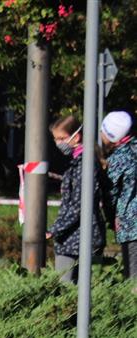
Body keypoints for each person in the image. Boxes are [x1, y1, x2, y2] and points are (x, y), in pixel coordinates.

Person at [48, 117, 110, 283]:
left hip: (75, 238)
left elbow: (79, 204)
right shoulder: (78, 162)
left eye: (61, 138)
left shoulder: (85, 164)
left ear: (76, 137)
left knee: (64, 287)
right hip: (79, 236)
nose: (58, 143)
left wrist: (54, 229)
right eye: (55, 139)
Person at [100, 110, 135, 279]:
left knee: (133, 277)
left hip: (131, 226)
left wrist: (111, 218)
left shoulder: (119, 159)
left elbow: (110, 194)